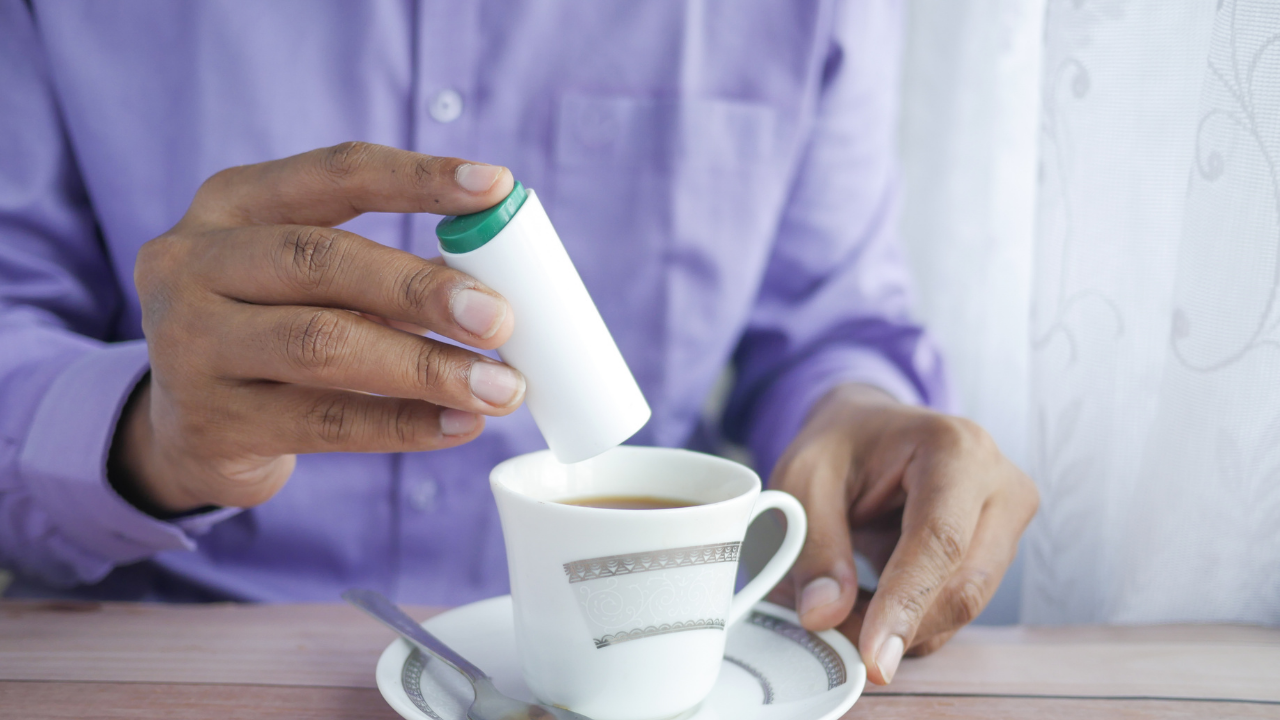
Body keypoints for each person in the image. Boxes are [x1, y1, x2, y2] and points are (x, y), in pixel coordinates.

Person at [0, 0, 1037, 685]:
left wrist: (856, 417)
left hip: (647, 664)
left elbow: (824, 323)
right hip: (185, 661)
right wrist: (155, 437)